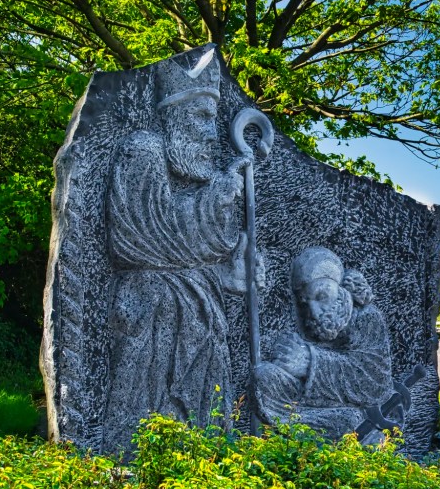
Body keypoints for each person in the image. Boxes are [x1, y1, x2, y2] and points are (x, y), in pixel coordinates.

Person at [102, 48, 257, 451]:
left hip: (199, 310)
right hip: (155, 311)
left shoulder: (195, 176)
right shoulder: (144, 151)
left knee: (202, 428)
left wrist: (223, 205)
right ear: (175, 114)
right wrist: (215, 198)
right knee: (147, 426)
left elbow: (201, 246)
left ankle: (198, 482)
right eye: (204, 118)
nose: (212, 133)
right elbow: (145, 238)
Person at [255, 247, 392, 439]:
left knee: (351, 419)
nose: (314, 311)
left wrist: (309, 362)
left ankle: (309, 430)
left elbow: (376, 384)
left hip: (355, 408)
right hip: (316, 403)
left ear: (341, 290)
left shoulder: (367, 318)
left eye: (321, 296)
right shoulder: (312, 324)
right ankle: (304, 427)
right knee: (264, 376)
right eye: (305, 303)